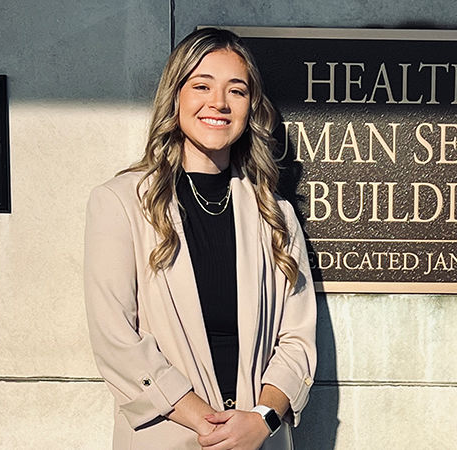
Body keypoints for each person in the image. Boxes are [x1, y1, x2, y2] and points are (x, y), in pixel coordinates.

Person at [84, 28, 317, 449]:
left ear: (251, 107)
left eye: (237, 91)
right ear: (176, 97)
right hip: (168, 436)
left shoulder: (276, 214)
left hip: (259, 440)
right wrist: (207, 422)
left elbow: (298, 339)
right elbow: (116, 339)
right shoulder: (119, 203)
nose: (219, 103)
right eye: (202, 86)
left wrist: (260, 421)